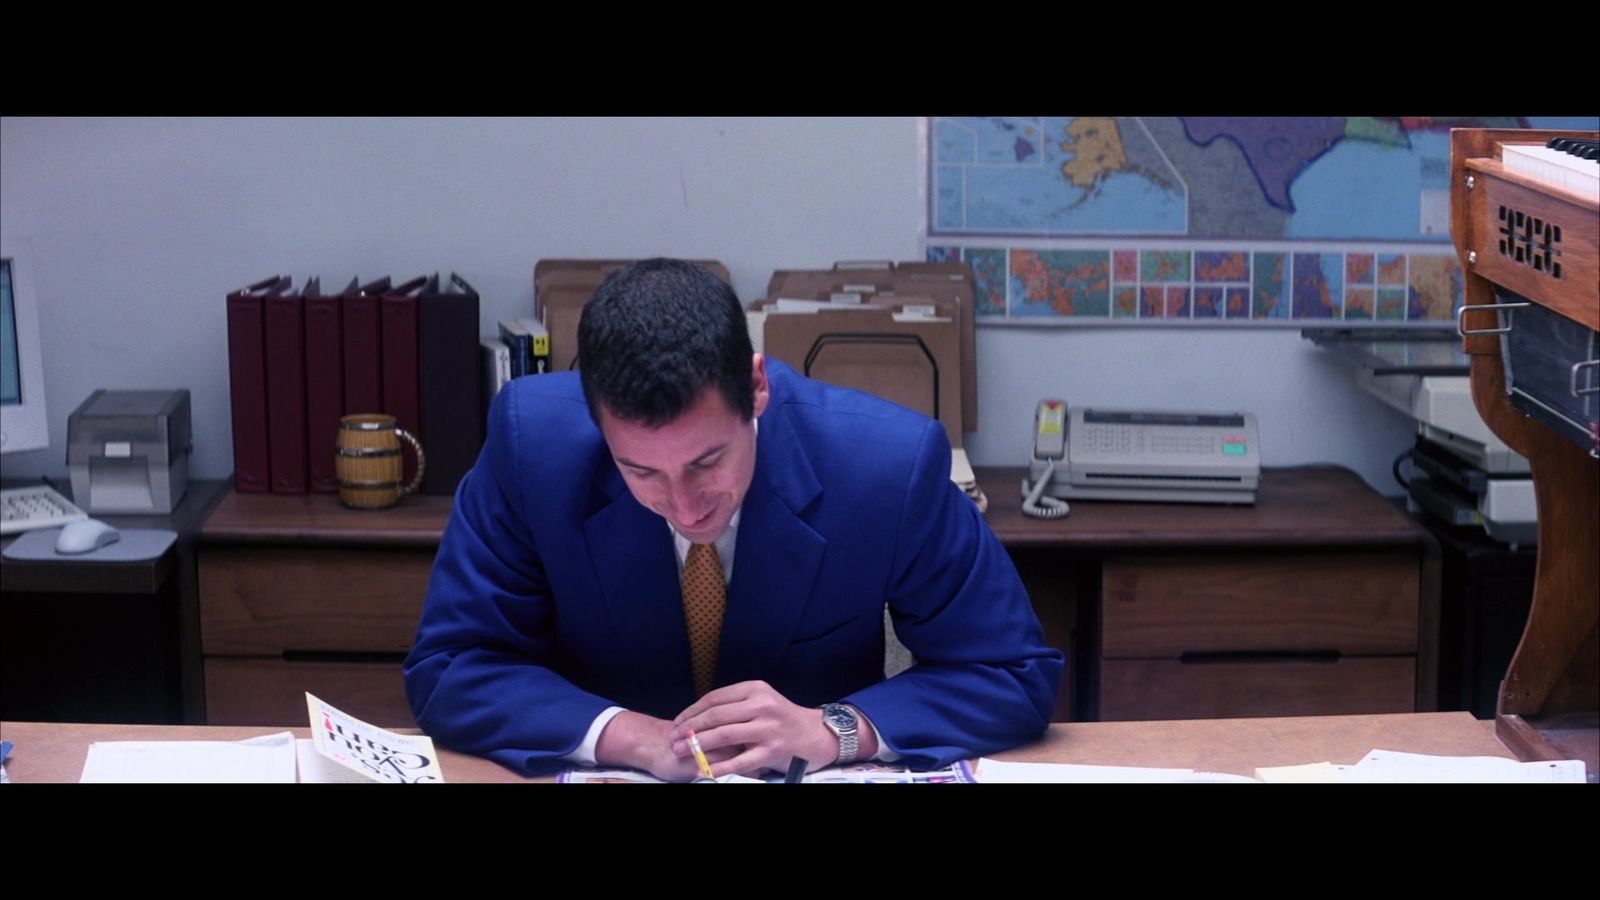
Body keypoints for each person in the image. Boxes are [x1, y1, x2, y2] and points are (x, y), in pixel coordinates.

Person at [403, 258, 1062, 780]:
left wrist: (831, 729)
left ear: (756, 387)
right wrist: (630, 737)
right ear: (595, 418)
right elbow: (454, 664)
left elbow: (1011, 671)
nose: (688, 509)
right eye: (642, 473)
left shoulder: (886, 466)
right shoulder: (531, 446)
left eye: (708, 460)